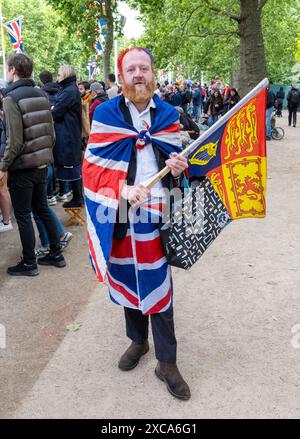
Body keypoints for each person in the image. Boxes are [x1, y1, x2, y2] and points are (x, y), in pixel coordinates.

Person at [83, 47, 191, 400]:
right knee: (127, 276)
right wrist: (122, 188)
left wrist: (179, 167)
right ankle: (138, 341)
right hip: (119, 212)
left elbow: (179, 161)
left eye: (144, 68)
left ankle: (168, 362)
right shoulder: (105, 113)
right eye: (131, 69)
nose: (139, 74)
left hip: (159, 213)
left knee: (159, 286)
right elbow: (94, 167)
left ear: (153, 73)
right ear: (123, 75)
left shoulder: (169, 114)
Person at [0, 53, 66, 275]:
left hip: (23, 166)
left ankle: (29, 263)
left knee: (24, 214)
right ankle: (56, 254)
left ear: (12, 70)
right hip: (42, 164)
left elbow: (14, 139)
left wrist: (3, 166)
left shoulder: (11, 99)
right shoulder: (40, 94)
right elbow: (51, 133)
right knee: (42, 209)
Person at [52, 65, 84, 208]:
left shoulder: (69, 90)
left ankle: (77, 197)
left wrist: (53, 108)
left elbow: (56, 111)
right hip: (69, 132)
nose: (57, 77)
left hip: (68, 134)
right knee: (71, 165)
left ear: (65, 75)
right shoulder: (69, 89)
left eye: (59, 74)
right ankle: (77, 196)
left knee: (71, 166)